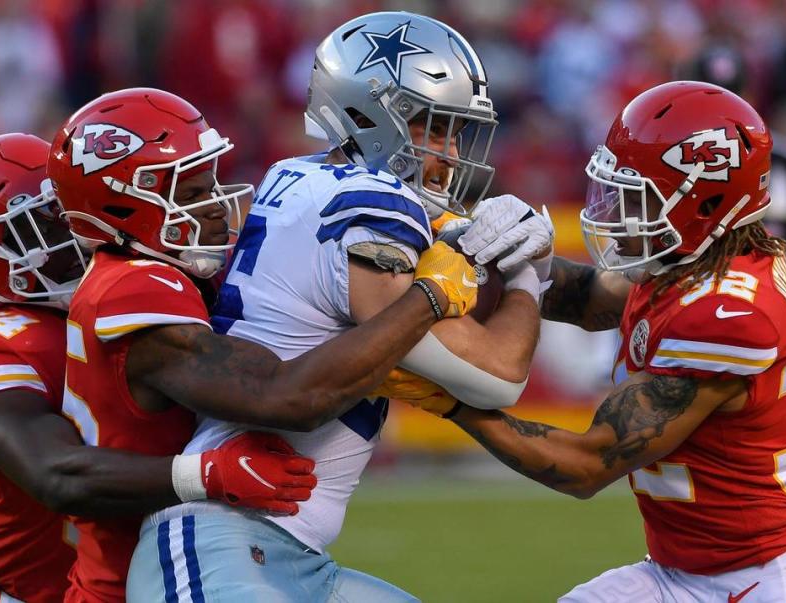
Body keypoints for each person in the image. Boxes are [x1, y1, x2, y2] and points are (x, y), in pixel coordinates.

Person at [125, 12, 551, 602]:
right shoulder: (373, 204)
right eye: (436, 128)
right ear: (376, 116)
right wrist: (532, 273)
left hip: (287, 555)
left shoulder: (298, 176)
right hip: (224, 544)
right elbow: (498, 376)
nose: (451, 154)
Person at [45, 86, 481, 603]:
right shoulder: (135, 285)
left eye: (209, 181)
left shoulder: (154, 276)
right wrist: (429, 296)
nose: (214, 204)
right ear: (123, 202)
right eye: (189, 191)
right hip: (139, 574)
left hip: (184, 557)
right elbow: (288, 397)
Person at [0, 134, 321, 603]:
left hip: (158, 573)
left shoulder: (122, 293)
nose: (74, 231)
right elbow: (58, 475)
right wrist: (204, 476)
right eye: (48, 224)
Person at [445, 81, 786, 601]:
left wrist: (446, 398)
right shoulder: (693, 262)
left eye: (635, 196)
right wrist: (492, 252)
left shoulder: (728, 316)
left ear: (702, 203)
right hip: (673, 571)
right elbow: (587, 298)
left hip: (760, 578)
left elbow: (584, 464)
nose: (613, 212)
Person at [686, 44, 786, 418]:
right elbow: (643, 265)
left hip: (776, 331)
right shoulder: (668, 164)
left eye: (731, 96)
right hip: (687, 330)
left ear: (750, 97)